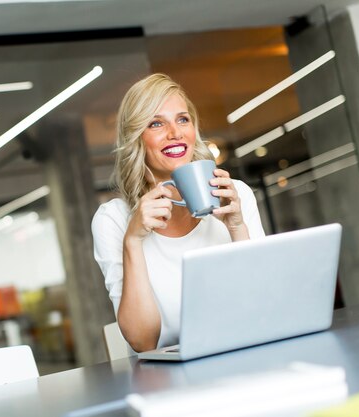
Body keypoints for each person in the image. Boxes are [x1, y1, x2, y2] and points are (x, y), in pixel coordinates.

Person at [91, 73, 265, 353]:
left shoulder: (236, 194)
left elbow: (264, 306)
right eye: (156, 123)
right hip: (170, 372)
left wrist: (236, 226)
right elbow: (142, 341)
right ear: (137, 138)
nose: (175, 133)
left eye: (183, 119)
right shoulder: (112, 219)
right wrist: (133, 240)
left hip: (245, 350)